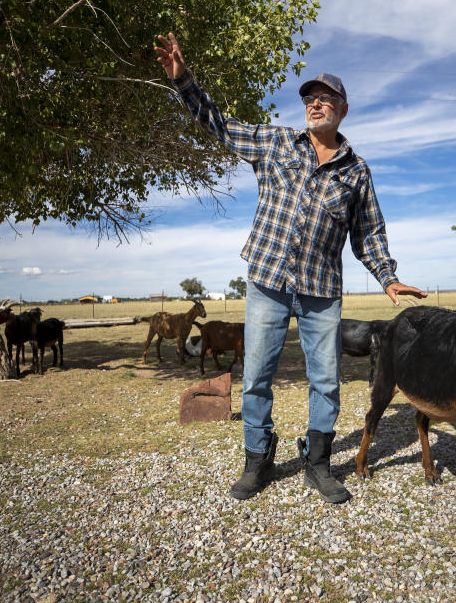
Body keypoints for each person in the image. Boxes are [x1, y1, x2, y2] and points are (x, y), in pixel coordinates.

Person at [155, 32, 426, 503]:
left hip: (322, 290)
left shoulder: (356, 171)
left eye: (325, 99)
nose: (315, 105)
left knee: (326, 379)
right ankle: (257, 458)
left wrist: (388, 276)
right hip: (268, 281)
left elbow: (369, 233)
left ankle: (317, 463)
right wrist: (185, 84)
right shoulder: (276, 143)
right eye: (310, 99)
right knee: (257, 373)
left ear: (343, 109)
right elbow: (220, 125)